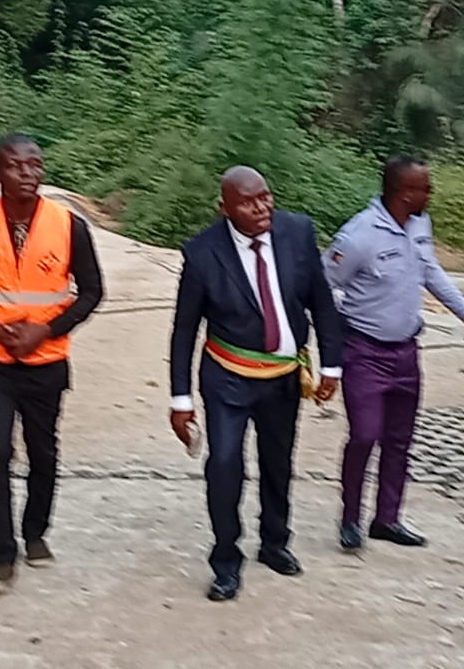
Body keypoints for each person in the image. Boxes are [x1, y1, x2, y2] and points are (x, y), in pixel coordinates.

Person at [0, 133, 104, 595]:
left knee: (43, 453)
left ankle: (35, 533)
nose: (28, 173)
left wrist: (46, 330)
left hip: (46, 363)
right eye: (16, 165)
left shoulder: (69, 226)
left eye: (35, 164)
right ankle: (2, 555)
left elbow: (92, 291)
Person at [168, 165, 344, 602]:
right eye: (248, 202)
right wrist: (180, 399)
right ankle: (226, 560)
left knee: (278, 461)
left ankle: (275, 542)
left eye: (265, 196)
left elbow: (321, 302)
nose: (262, 207)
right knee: (225, 464)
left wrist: (332, 366)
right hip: (227, 377)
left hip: (283, 376)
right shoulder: (202, 253)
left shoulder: (297, 232)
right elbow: (184, 330)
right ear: (224, 208)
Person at [323, 155, 464, 552]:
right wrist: (335, 338)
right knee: (365, 435)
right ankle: (350, 518)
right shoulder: (359, 235)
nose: (430, 194)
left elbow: (430, 271)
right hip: (364, 351)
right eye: (425, 188)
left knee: (399, 440)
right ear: (404, 192)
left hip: (406, 353)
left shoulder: (419, 224)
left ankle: (387, 519)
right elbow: (323, 283)